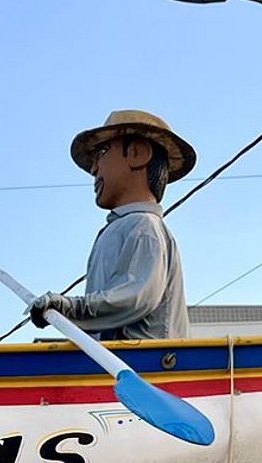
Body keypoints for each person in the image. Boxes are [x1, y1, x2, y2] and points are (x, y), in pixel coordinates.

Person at [30, 111, 194, 342]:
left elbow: (135, 296)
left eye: (102, 153)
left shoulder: (143, 225)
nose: (94, 170)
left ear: (137, 153)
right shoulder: (122, 227)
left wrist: (71, 309)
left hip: (141, 359)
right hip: (111, 357)